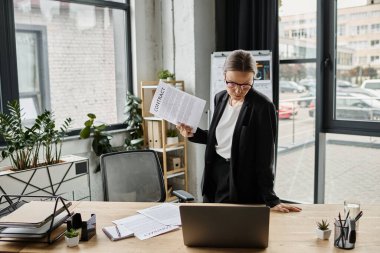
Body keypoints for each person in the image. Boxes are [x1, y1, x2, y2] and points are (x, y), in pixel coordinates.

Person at [177, 49, 301, 213]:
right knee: (212, 224)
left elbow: (265, 157)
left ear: (253, 79)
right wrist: (192, 133)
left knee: (235, 229)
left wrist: (271, 198)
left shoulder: (263, 107)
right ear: (224, 76)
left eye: (245, 85)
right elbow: (219, 137)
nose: (238, 90)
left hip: (241, 178)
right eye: (232, 84)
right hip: (215, 173)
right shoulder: (220, 98)